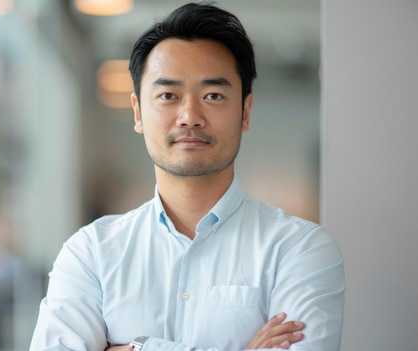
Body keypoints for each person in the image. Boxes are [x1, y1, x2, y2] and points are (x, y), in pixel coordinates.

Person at [29, 2, 345, 350]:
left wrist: (137, 348)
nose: (189, 116)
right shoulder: (90, 254)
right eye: (168, 95)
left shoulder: (299, 250)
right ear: (138, 112)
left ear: (245, 111)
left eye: (213, 95)